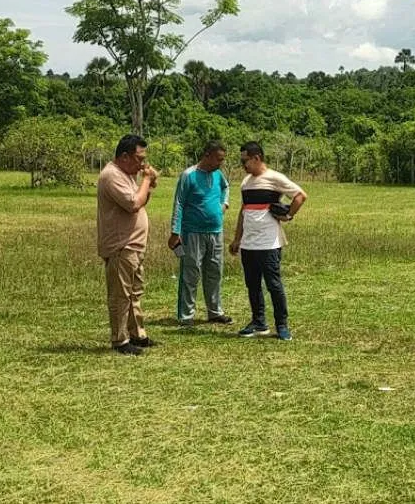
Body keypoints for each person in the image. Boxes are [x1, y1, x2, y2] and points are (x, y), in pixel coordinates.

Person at [229, 141, 307, 341]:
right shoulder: (246, 182)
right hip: (248, 243)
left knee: (274, 284)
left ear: (256, 158)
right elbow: (243, 211)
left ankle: (282, 325)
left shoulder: (274, 178)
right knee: (252, 284)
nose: (243, 165)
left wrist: (288, 215)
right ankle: (258, 322)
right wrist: (237, 238)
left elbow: (300, 196)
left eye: (245, 161)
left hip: (269, 243)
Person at [97, 134, 159, 356]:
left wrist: (148, 185)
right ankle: (120, 339)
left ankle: (137, 334)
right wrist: (145, 180)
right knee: (120, 295)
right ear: (124, 156)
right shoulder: (111, 176)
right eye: (138, 158)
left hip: (133, 246)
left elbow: (141, 199)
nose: (142, 163)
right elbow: (133, 204)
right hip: (121, 246)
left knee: (134, 293)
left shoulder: (127, 174)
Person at [169, 140, 234, 327]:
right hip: (192, 232)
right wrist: (175, 231)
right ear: (207, 155)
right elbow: (179, 203)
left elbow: (226, 187)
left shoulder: (218, 175)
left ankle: (215, 311)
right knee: (191, 273)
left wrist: (224, 204)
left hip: (216, 231)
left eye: (222, 160)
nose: (220, 163)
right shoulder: (188, 175)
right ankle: (186, 315)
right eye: (218, 159)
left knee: (214, 272)